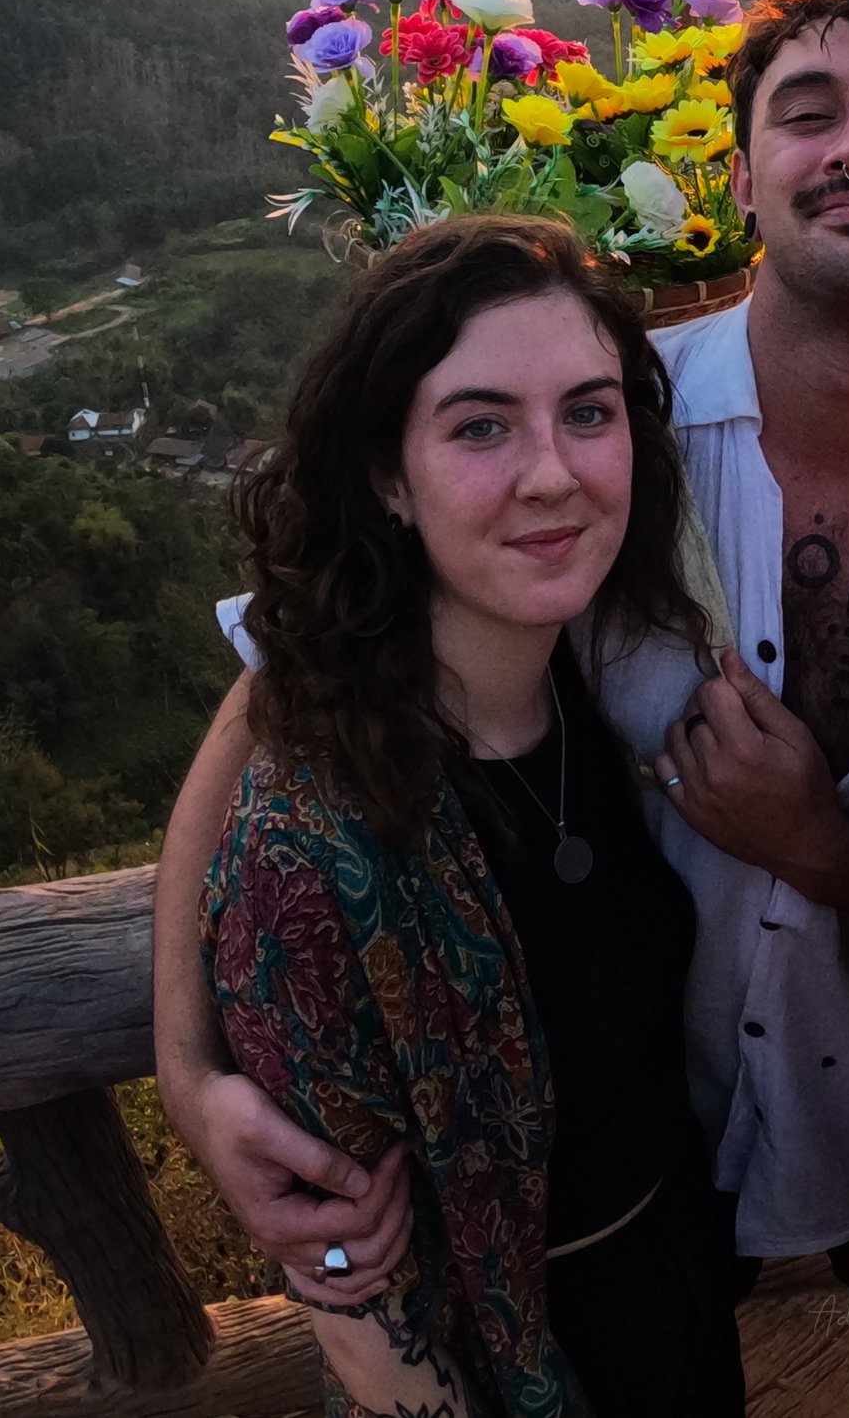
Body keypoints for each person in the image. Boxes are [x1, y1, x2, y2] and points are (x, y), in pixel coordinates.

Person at [152, 0, 849, 1291]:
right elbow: (286, 689)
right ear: (741, 183)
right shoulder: (595, 431)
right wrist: (186, 1070)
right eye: (808, 113)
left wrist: (818, 846)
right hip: (616, 1192)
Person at [203, 214, 744, 1417]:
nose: (551, 471)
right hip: (510, 1372)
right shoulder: (315, 846)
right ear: (388, 476)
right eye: (481, 425)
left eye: (589, 412)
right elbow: (356, 1295)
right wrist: (188, 1074)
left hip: (678, 1308)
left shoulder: (586, 679)